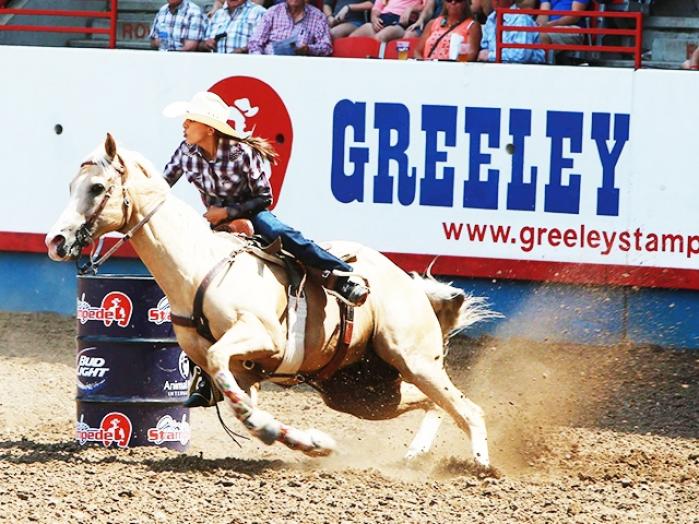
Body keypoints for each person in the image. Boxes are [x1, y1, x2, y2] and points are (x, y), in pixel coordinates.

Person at [162, 91, 370, 406]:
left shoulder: (242, 153)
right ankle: (204, 377)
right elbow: (163, 186)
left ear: (209, 127)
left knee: (281, 232)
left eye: (191, 120)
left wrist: (228, 214)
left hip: (248, 214)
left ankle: (340, 274)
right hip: (213, 224)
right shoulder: (185, 151)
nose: (185, 125)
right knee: (191, 285)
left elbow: (263, 198)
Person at [248, 0, 333, 55]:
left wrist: (308, 49)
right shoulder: (272, 12)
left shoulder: (318, 16)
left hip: (301, 67)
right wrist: (260, 61)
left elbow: (326, 47)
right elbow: (255, 43)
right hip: (270, 63)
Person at [478, 0, 545, 63]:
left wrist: (490, 56)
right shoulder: (491, 19)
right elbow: (484, 48)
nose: (495, 0)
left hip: (527, 70)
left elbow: (521, 55)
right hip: (497, 67)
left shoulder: (522, 19)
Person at [414, 0, 480, 60]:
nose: (453, 2)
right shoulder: (432, 23)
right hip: (428, 67)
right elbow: (417, 51)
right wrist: (424, 64)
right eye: (449, 0)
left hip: (453, 69)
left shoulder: (472, 26)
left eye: (458, 0)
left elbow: (471, 55)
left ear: (465, 3)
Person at [201, 0, 266, 53]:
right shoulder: (217, 15)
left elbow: (265, 44)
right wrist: (205, 44)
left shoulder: (259, 12)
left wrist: (244, 50)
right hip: (217, 64)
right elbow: (202, 44)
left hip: (247, 65)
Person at [349, 0, 424, 43]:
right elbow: (377, 7)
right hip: (382, 19)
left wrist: (411, 8)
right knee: (352, 38)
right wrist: (374, 18)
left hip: (400, 21)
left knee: (379, 38)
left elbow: (426, 6)